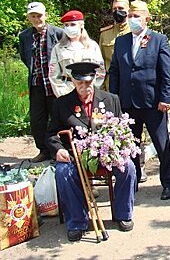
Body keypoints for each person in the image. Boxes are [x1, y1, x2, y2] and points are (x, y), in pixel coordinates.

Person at [46, 62, 136, 242]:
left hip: (106, 152)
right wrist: (59, 150)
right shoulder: (62, 104)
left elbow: (121, 129)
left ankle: (123, 214)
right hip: (75, 155)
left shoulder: (110, 100)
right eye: (79, 83)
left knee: (129, 167)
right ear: (72, 81)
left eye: (87, 82)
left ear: (94, 79)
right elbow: (50, 134)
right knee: (63, 173)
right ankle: (77, 221)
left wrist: (120, 147)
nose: (84, 87)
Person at [109, 0, 170, 200]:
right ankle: (133, 181)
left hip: (153, 102)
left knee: (162, 144)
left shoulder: (158, 40)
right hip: (128, 103)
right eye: (130, 16)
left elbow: (167, 73)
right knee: (131, 145)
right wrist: (115, 100)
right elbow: (115, 71)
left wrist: (165, 98)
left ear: (146, 18)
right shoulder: (121, 41)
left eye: (136, 16)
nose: (132, 19)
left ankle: (167, 184)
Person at [19, 2, 63, 162]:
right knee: (37, 120)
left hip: (54, 84)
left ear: (46, 15)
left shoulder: (58, 33)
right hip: (37, 84)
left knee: (57, 118)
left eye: (39, 15)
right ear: (29, 17)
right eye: (33, 16)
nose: (36, 18)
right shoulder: (24, 36)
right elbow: (25, 58)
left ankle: (58, 150)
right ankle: (43, 150)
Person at [49, 10, 105, 98]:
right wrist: (63, 95)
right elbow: (54, 75)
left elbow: (100, 72)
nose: (69, 28)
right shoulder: (58, 48)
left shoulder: (92, 46)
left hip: (89, 91)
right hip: (67, 90)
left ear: (81, 25)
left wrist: (92, 90)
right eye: (66, 25)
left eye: (72, 24)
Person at [99, 0, 130, 91]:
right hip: (110, 85)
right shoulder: (105, 34)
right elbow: (100, 63)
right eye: (114, 9)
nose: (117, 11)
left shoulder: (135, 32)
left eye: (121, 8)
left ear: (128, 10)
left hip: (130, 84)